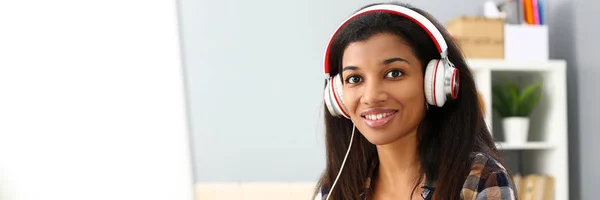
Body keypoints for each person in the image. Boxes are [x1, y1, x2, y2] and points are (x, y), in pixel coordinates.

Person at [315, 2, 517, 200]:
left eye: (394, 73)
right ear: (337, 95)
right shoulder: (335, 187)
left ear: (436, 82)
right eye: (355, 79)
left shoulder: (479, 179)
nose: (371, 96)